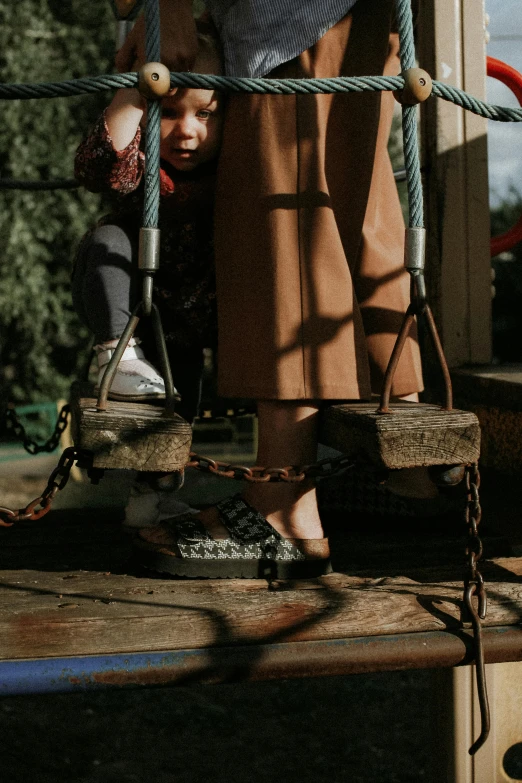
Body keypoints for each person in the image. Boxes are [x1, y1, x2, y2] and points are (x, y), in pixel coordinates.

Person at [119, 0, 427, 578]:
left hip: (287, 19)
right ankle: (409, 475)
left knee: (280, 223)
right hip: (360, 15)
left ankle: (283, 506)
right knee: (354, 203)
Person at [73, 29, 224, 424]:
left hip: (194, 320)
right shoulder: (141, 162)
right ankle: (117, 358)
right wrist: (137, 87)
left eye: (205, 113)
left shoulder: (232, 166)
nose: (187, 130)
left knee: (175, 417)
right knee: (108, 240)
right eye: (169, 112)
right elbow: (100, 170)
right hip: (134, 304)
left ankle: (158, 481)